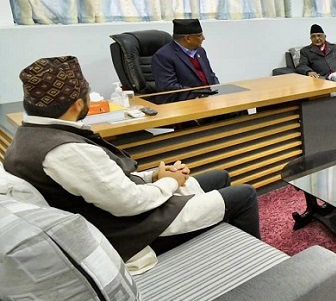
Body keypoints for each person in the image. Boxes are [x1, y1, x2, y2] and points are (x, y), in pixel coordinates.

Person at [5, 56, 260, 262]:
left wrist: (154, 176)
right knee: (245, 195)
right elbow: (129, 203)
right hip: (134, 231)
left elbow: (106, 183)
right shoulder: (65, 151)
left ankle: (224, 243)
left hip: (126, 212)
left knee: (220, 177)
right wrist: (169, 182)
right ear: (76, 105)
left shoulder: (29, 135)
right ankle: (259, 265)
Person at [151, 18, 220, 104]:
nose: (203, 38)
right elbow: (168, 86)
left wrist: (218, 89)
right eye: (199, 36)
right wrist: (200, 94)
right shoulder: (163, 56)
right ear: (188, 38)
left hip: (207, 98)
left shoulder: (200, 51)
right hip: (181, 102)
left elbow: (210, 75)